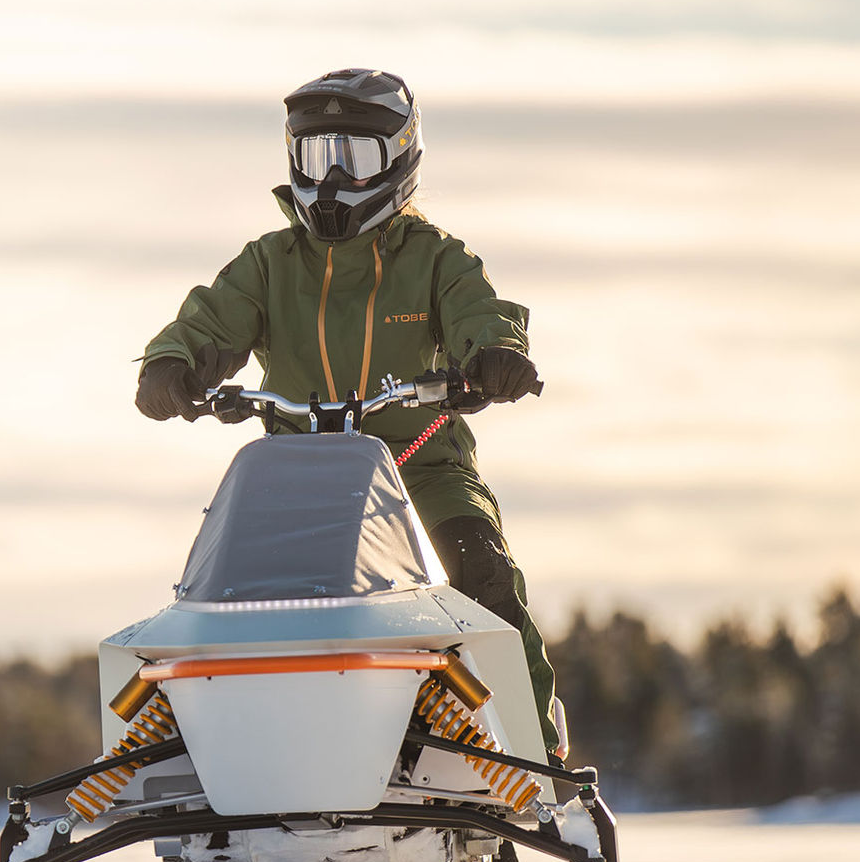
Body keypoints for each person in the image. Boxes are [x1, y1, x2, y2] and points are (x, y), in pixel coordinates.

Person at [134, 67, 565, 753]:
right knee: (215, 594)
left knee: (482, 573)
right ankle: (211, 747)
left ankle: (534, 756)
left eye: (354, 158)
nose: (331, 180)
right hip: (294, 476)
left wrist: (494, 355)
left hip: (420, 465)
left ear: (399, 161)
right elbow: (214, 317)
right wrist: (173, 364)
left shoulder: (434, 259)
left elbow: (479, 312)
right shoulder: (270, 263)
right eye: (315, 156)